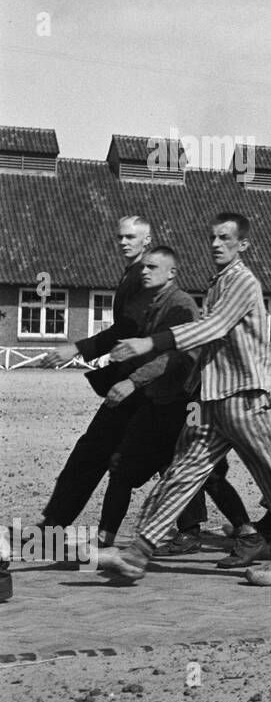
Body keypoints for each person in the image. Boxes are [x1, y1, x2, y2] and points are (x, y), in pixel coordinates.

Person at [97, 212, 271, 585]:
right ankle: (139, 553)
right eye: (213, 238)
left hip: (242, 399)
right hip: (212, 400)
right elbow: (212, 343)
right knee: (183, 473)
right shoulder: (218, 284)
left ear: (242, 244)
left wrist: (151, 342)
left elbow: (211, 327)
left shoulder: (243, 282)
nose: (215, 244)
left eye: (224, 239)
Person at [37, 215, 154, 548]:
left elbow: (127, 328)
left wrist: (78, 347)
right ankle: (54, 526)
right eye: (120, 237)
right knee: (163, 456)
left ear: (146, 240)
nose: (123, 242)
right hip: (138, 383)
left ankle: (53, 527)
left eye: (131, 237)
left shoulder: (143, 276)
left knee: (93, 451)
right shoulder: (132, 274)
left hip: (139, 383)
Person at [95, 246, 205, 549]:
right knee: (121, 463)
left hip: (181, 401)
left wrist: (133, 381)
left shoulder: (182, 305)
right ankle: (106, 535)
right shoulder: (150, 305)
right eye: (143, 267)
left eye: (152, 267)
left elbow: (179, 355)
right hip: (154, 398)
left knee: (187, 466)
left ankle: (217, 530)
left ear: (171, 272)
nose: (144, 271)